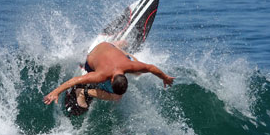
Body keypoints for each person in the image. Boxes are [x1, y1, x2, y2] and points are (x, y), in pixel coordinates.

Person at [43, 42, 175, 108]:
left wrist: (165, 77)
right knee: (117, 97)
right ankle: (83, 93)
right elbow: (76, 80)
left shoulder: (128, 66)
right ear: (111, 79)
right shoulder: (101, 75)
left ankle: (119, 44)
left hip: (107, 45)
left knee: (139, 69)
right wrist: (56, 91)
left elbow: (151, 67)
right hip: (90, 60)